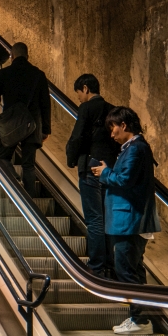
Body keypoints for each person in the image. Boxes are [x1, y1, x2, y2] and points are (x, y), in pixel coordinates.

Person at [90, 106, 161, 334]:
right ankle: (142, 318)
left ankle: (139, 320)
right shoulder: (132, 148)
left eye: (113, 128)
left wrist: (106, 173)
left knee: (126, 271)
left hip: (128, 221)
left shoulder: (136, 149)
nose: (112, 134)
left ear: (124, 125)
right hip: (129, 220)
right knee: (133, 270)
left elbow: (125, 179)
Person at [65, 74, 120, 277]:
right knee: (107, 218)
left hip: (91, 166)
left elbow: (78, 136)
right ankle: (110, 265)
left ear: (86, 89)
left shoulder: (87, 108)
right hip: (109, 167)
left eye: (79, 93)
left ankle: (96, 266)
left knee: (94, 218)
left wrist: (71, 158)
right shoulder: (112, 109)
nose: (79, 97)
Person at [0, 42, 50, 198]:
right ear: (27, 56)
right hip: (32, 125)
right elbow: (45, 104)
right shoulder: (38, 75)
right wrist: (46, 129)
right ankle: (30, 204)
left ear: (11, 56)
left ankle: (14, 181)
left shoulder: (4, 73)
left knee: (2, 158)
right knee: (28, 165)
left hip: (10, 125)